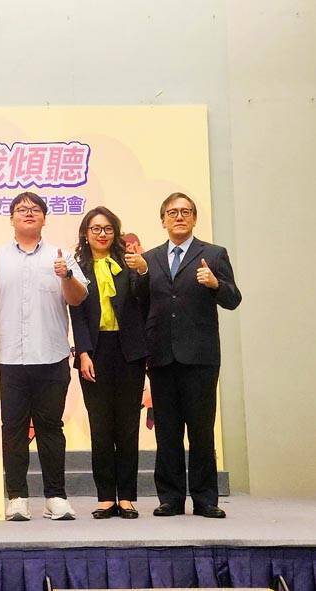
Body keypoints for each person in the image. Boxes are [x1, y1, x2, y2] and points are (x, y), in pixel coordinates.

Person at [128, 192, 241, 518]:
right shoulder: (149, 257)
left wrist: (215, 283)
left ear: (194, 218)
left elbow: (233, 299)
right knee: (167, 431)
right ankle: (171, 498)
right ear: (162, 219)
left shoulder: (214, 254)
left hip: (201, 357)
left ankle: (206, 499)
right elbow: (141, 303)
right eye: (172, 212)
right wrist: (140, 274)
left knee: (202, 431)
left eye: (185, 212)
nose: (179, 216)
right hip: (162, 356)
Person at [0, 191, 88, 521]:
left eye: (35, 209)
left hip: (51, 356)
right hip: (7, 359)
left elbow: (78, 299)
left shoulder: (61, 257)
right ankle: (17, 496)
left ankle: (56, 497)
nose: (28, 213)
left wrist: (66, 276)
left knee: (51, 428)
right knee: (13, 430)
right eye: (21, 209)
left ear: (45, 218)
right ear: (11, 219)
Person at [69, 207, 148, 519]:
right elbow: (76, 312)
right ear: (85, 234)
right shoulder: (78, 267)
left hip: (129, 351)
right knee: (100, 427)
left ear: (115, 232)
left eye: (107, 229)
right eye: (95, 228)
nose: (101, 234)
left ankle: (127, 496)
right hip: (95, 351)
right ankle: (104, 497)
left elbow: (145, 299)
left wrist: (141, 271)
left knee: (128, 426)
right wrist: (83, 353)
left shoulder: (128, 263)